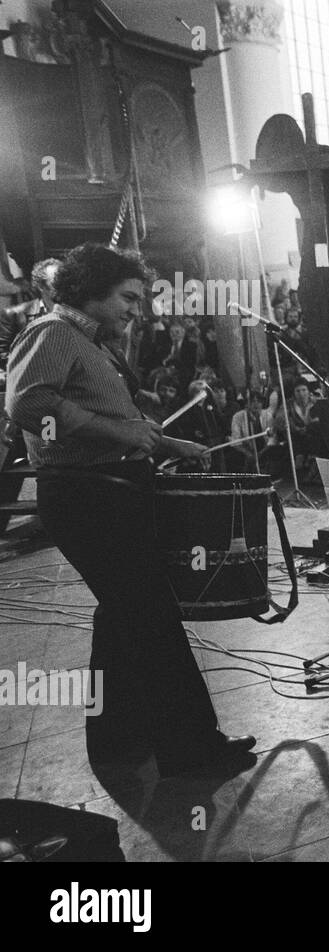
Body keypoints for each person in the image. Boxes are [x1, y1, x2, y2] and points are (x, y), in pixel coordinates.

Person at [3, 243, 254, 777]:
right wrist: (122, 432)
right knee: (152, 618)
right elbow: (26, 403)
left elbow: (108, 421)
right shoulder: (52, 332)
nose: (135, 310)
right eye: (128, 297)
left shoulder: (85, 341)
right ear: (90, 290)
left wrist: (163, 444)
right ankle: (191, 752)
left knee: (122, 617)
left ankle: (116, 741)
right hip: (87, 498)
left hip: (110, 491)